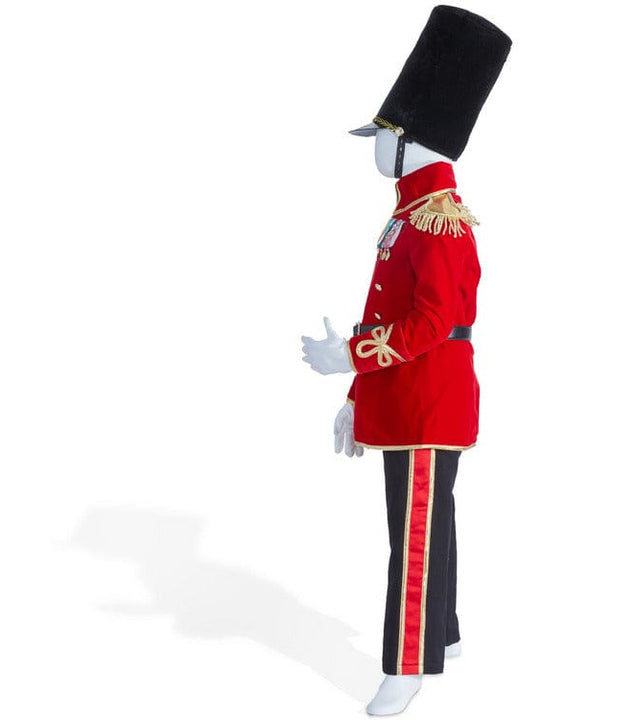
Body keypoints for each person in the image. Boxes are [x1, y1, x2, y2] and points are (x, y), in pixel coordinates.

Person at [300, 6, 512, 715]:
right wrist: (358, 394)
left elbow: (430, 324)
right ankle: (442, 632)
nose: (379, 147)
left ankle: (410, 664)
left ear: (412, 142)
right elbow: (389, 314)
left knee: (413, 534)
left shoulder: (439, 222)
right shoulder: (411, 215)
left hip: (427, 401)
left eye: (387, 135)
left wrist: (348, 357)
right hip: (407, 396)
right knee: (428, 518)